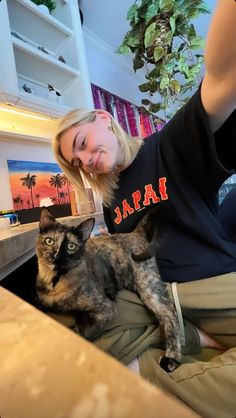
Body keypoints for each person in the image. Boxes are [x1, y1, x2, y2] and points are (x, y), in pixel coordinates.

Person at [51, 1, 236, 416]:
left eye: (82, 144)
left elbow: (224, 75)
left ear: (103, 118)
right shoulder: (113, 204)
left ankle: (147, 373)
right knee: (60, 320)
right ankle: (191, 342)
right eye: (78, 163)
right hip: (155, 299)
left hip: (210, 280)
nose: (88, 160)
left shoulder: (170, 146)